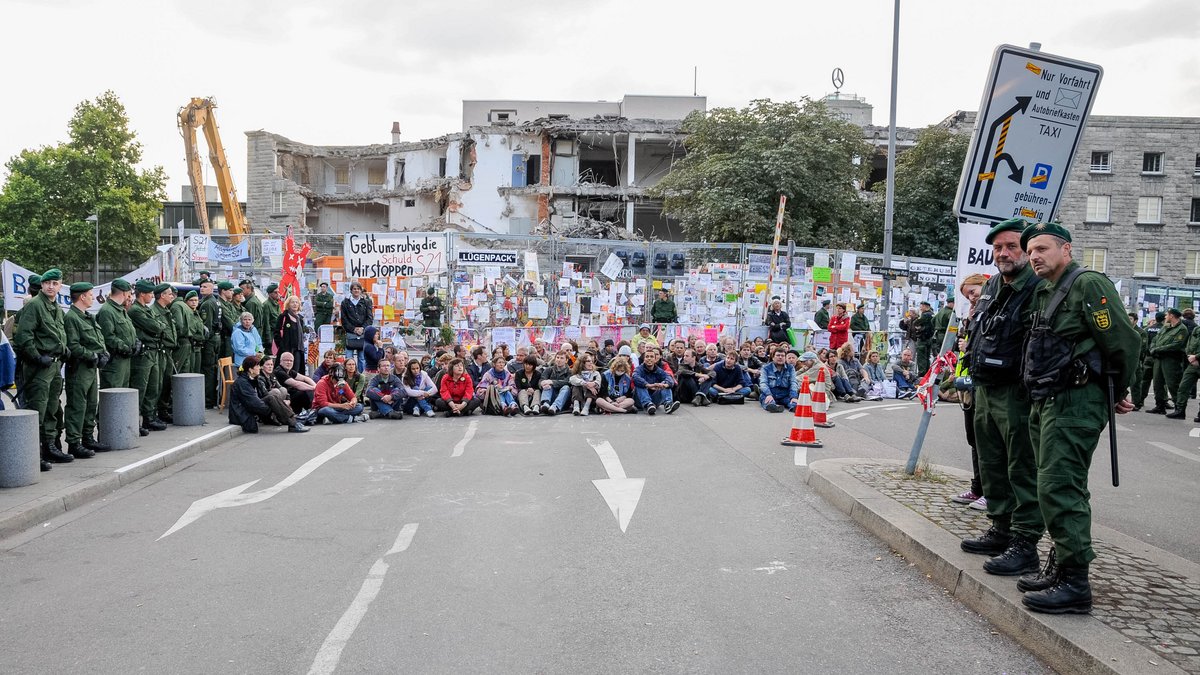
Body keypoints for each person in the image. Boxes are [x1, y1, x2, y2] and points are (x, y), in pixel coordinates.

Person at [1018, 221, 1140, 614]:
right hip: (1049, 398)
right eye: (1031, 251)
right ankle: (1061, 564)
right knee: (1051, 485)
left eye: (1042, 249)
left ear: (1065, 249)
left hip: (1075, 400)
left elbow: (1123, 342)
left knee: (1059, 486)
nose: (1034, 256)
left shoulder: (1088, 284)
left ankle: (1075, 583)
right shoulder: (1047, 290)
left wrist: (1118, 391)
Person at [959, 217, 1044, 579]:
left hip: (1017, 392)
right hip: (985, 387)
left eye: (1011, 246)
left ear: (1025, 250)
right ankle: (1000, 529)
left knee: (1021, 468)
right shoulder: (992, 284)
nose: (1004, 253)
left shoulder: (1038, 287)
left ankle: (1025, 544)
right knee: (991, 463)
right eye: (998, 248)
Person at [949, 273, 989, 510]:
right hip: (968, 383)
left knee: (987, 443)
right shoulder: (974, 314)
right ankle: (978, 488)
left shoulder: (991, 310)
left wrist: (970, 346)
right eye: (967, 296)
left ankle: (991, 492)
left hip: (983, 383)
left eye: (973, 292)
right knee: (974, 439)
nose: (971, 299)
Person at [62, 281, 111, 458]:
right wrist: (93, 355)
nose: (92, 297)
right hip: (79, 368)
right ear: (82, 296)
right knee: (77, 405)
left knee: (91, 404)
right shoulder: (72, 318)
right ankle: (74, 443)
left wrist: (103, 353)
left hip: (90, 368)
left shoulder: (87, 316)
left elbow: (97, 339)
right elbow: (73, 345)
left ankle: (87, 437)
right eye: (90, 294)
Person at [229, 355, 309, 433]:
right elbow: (254, 403)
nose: (259, 368)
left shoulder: (253, 379)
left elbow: (261, 397)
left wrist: (279, 407)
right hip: (240, 413)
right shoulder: (243, 383)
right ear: (251, 370)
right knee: (271, 398)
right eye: (257, 366)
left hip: (250, 407)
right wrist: (274, 409)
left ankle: (293, 423)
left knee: (273, 397)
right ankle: (293, 423)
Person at [128, 279, 168, 433]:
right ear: (142, 294)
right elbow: (156, 326)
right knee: (141, 387)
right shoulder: (136, 310)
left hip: (154, 351)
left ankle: (149, 418)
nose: (152, 295)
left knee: (154, 386)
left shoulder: (147, 309)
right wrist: (158, 327)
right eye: (150, 293)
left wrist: (158, 327)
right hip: (144, 353)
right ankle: (135, 421)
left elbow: (160, 325)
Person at [98, 278, 137, 391]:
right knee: (112, 396)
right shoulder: (107, 311)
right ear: (124, 293)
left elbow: (129, 330)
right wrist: (124, 347)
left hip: (124, 360)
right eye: (129, 294)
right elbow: (108, 336)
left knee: (123, 397)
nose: (130, 297)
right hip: (114, 362)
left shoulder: (121, 310)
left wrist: (135, 342)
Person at [1146, 308, 1187, 414]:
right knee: (1157, 383)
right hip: (1159, 358)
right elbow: (1156, 339)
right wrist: (1153, 348)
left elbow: (1177, 345)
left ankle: (1179, 409)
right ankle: (1160, 406)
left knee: (1173, 383)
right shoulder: (1166, 327)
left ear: (1172, 316)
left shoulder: (1181, 329)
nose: (1165, 317)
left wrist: (1158, 349)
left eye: (1167, 315)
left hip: (1171, 360)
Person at [152, 284, 179, 424]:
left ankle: (163, 411)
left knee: (167, 382)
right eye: (169, 294)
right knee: (158, 383)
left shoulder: (166, 310)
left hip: (168, 350)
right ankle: (154, 413)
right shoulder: (154, 311)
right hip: (160, 351)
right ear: (162, 296)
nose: (172, 296)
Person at [197, 279, 224, 407]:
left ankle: (208, 399)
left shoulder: (207, 304)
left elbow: (206, 327)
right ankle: (212, 398)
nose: (202, 288)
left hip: (210, 340)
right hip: (217, 338)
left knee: (207, 369)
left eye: (205, 286)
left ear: (211, 288)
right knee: (212, 369)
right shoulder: (216, 301)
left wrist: (203, 341)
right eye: (201, 286)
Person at [1168, 317, 1200, 422]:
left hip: (1195, 359)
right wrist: (1190, 356)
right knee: (1183, 387)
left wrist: (1196, 357)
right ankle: (1180, 411)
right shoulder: (1196, 329)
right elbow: (1189, 344)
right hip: (1193, 363)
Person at [633, 347, 679, 414]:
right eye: (647, 356)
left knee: (665, 384)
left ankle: (668, 405)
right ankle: (648, 404)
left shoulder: (659, 370)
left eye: (651, 357)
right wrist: (648, 385)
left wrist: (664, 384)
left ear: (655, 360)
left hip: (654, 400)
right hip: (640, 401)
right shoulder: (639, 369)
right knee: (639, 384)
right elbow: (635, 377)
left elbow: (669, 378)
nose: (649, 358)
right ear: (644, 359)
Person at [1132, 312, 1163, 410]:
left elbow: (1144, 346)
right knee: (1159, 381)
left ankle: (1139, 400)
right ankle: (1161, 402)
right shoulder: (1164, 329)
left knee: (1142, 381)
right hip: (1156, 356)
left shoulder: (1146, 330)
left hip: (1146, 358)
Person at [340, 281, 373, 372]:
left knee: (362, 358)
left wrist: (362, 328)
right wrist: (353, 329)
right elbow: (344, 319)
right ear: (351, 290)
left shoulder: (366, 302)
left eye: (358, 289)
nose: (356, 290)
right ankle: (348, 377)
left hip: (363, 333)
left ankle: (361, 377)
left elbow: (370, 318)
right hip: (350, 333)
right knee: (348, 358)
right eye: (354, 289)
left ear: (361, 290)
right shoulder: (345, 303)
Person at [758, 348, 798, 412]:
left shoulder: (790, 368)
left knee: (794, 404)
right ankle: (774, 407)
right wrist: (768, 394)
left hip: (785, 394)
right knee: (769, 402)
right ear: (773, 357)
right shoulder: (766, 368)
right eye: (778, 355)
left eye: (782, 356)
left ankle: (794, 407)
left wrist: (794, 397)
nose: (780, 357)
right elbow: (763, 383)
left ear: (785, 358)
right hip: (770, 393)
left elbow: (793, 382)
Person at [275, 296, 307, 375]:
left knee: (296, 372)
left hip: (298, 350)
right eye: (292, 302)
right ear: (288, 304)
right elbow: (277, 333)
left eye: (297, 302)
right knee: (285, 372)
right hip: (286, 350)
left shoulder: (300, 319)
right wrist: (282, 346)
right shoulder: (283, 317)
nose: (295, 304)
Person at [538, 351, 573, 415]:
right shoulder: (549, 369)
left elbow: (568, 382)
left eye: (562, 358)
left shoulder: (570, 372)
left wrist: (552, 382)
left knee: (566, 387)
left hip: (563, 398)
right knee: (547, 384)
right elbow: (541, 380)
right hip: (550, 395)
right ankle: (545, 404)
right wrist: (542, 384)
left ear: (566, 360)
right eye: (557, 357)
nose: (559, 360)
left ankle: (555, 407)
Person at [914, 301, 935, 375]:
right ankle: (927, 373)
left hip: (923, 338)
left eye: (922, 306)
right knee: (927, 357)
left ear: (926, 307)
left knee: (921, 357)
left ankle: (922, 374)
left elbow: (916, 322)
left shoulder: (925, 315)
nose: (920, 308)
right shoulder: (932, 314)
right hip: (930, 338)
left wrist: (919, 326)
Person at [261, 283, 282, 356]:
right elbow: (266, 323)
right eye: (275, 292)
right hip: (271, 335)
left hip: (277, 334)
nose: (277, 294)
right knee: (271, 356)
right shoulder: (266, 305)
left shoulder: (277, 304)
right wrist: (268, 340)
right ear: (270, 294)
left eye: (278, 292)